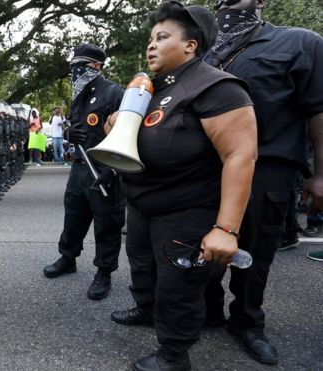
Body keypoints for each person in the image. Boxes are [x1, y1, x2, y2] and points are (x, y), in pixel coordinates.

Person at [109, 2, 258, 369]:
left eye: (162, 37)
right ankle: (146, 310)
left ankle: (174, 354)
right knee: (143, 267)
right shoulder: (152, 90)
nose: (151, 46)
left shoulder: (216, 87)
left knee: (177, 285)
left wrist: (226, 229)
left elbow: (240, 156)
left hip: (186, 210)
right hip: (145, 204)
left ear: (191, 46)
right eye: (150, 39)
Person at [204, 0, 323, 365]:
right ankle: (208, 312)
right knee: (204, 246)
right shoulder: (203, 50)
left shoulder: (300, 43)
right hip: (207, 169)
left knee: (255, 253)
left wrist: (321, 173)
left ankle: (247, 321)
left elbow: (317, 109)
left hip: (269, 167)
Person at [42, 43, 126, 301]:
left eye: (80, 66)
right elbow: (73, 127)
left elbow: (126, 134)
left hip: (104, 170)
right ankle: (68, 257)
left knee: (107, 223)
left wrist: (113, 170)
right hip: (79, 167)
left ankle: (104, 271)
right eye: (73, 67)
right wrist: (68, 134)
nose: (75, 72)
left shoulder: (115, 93)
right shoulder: (78, 94)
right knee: (74, 216)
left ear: (96, 66)